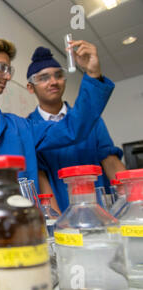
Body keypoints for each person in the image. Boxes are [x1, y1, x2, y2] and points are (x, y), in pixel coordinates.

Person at [0, 38, 115, 192]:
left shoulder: (20, 128)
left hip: (22, 215)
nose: (8, 76)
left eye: (9, 70)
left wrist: (93, 74)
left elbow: (72, 128)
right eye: (1, 68)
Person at [26, 46, 125, 213]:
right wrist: (58, 226)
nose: (53, 82)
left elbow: (111, 162)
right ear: (30, 87)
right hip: (62, 217)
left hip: (100, 213)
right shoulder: (29, 129)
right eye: (43, 78)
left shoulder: (92, 121)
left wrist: (134, 201)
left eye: (58, 75)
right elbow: (40, 181)